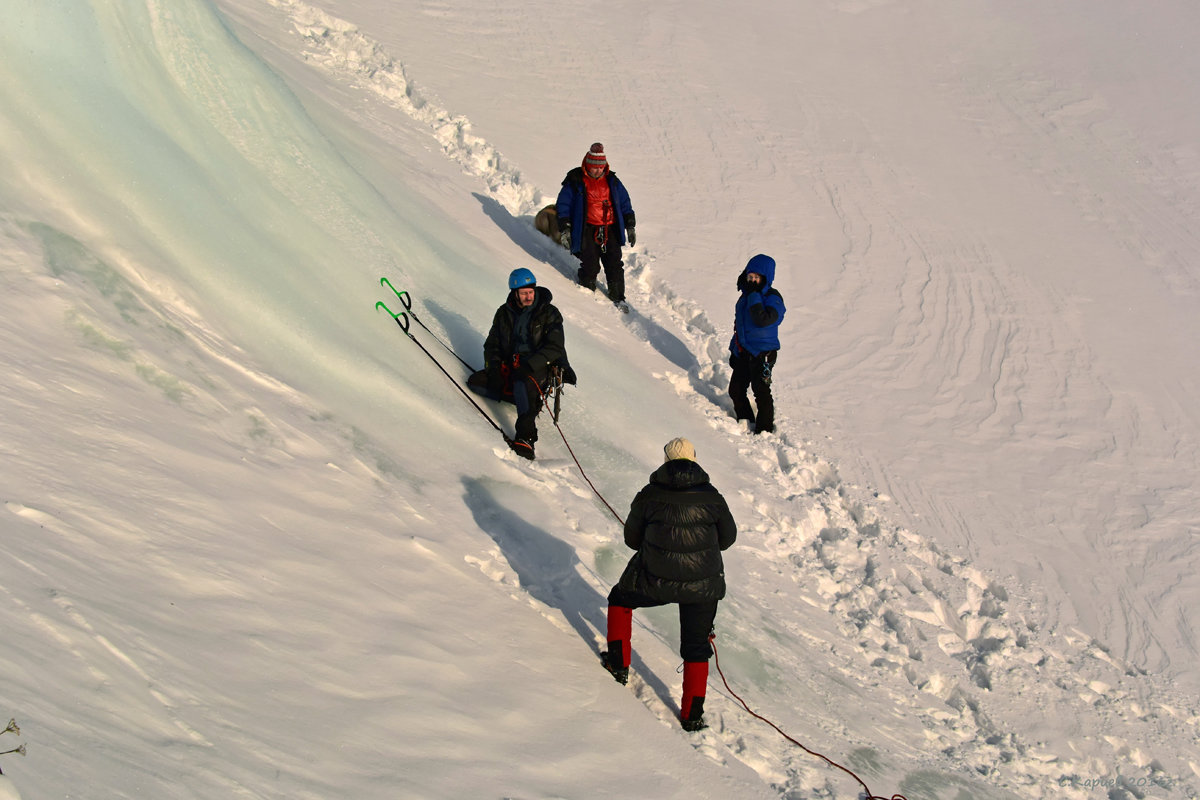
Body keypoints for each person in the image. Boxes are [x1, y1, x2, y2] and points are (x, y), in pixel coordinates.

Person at [601, 438, 737, 732]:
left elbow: (631, 540)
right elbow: (727, 540)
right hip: (702, 585)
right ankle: (692, 715)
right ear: (695, 459)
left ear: (665, 461)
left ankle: (618, 664)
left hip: (654, 579)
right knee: (696, 647)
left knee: (620, 599)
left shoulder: (649, 495)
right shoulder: (713, 497)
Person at [467, 268, 570, 460]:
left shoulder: (549, 313)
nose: (528, 296)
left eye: (531, 291)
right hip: (512, 366)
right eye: (524, 293)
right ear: (515, 293)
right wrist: (494, 369)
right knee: (475, 382)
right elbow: (492, 344)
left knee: (522, 383)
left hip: (538, 366)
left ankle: (526, 436)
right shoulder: (504, 313)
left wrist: (530, 366)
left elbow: (555, 347)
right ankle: (525, 401)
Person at [555, 143, 637, 311]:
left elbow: (624, 203)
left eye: (601, 167)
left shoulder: (612, 181)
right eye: (594, 167)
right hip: (587, 229)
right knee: (590, 263)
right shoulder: (576, 181)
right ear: (587, 165)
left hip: (610, 228)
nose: (598, 171)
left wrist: (630, 225)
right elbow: (563, 205)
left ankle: (618, 296)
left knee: (614, 263)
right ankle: (586, 291)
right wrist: (565, 228)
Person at [728, 254, 786, 434]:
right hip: (744, 351)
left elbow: (762, 319)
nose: (752, 281)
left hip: (763, 354)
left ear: (765, 278)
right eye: (749, 277)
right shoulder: (745, 297)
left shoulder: (773, 297)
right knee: (736, 389)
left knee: (761, 392)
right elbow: (740, 325)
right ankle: (745, 420)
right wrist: (734, 350)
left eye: (756, 278)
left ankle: (765, 430)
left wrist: (754, 295)